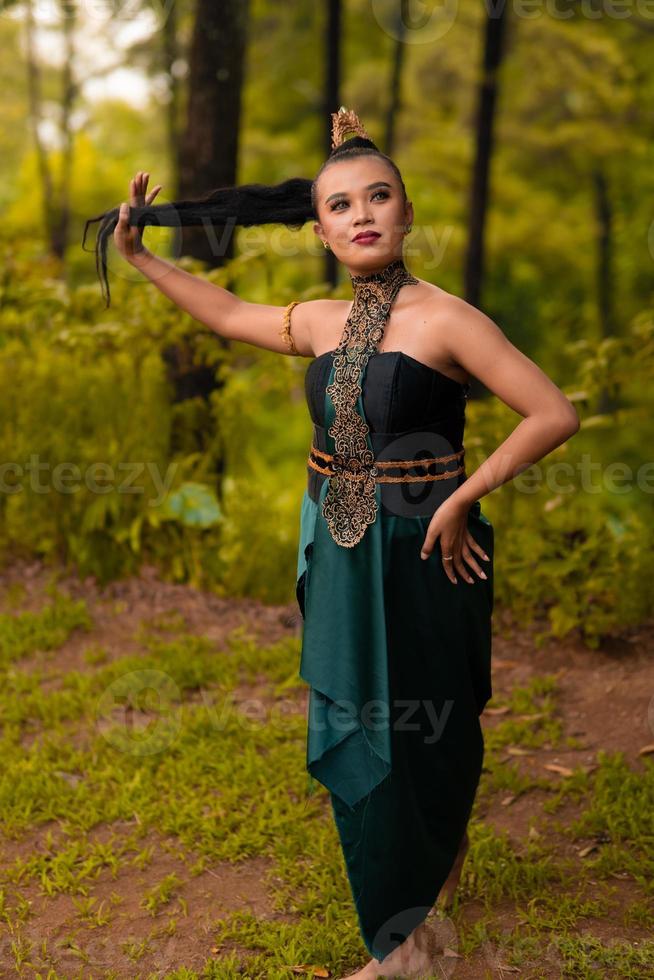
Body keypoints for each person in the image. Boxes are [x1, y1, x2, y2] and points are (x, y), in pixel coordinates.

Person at [85, 107, 580, 979]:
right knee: (359, 723)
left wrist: (463, 497)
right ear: (319, 229)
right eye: (342, 205)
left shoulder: (447, 320)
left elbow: (553, 413)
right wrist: (142, 260)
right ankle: (409, 935)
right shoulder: (318, 320)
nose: (362, 215)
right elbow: (231, 313)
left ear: (406, 210)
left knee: (432, 728)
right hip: (342, 552)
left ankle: (410, 946)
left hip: (426, 549)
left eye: (379, 196)